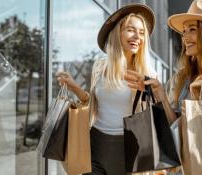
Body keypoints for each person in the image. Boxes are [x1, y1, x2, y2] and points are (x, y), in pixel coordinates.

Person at [125, 0, 202, 173]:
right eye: (184, 31)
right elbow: (178, 128)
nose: (184, 37)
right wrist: (160, 93)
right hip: (185, 167)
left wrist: (195, 97)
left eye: (192, 29)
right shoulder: (185, 77)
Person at [56, 3, 160, 175]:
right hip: (95, 143)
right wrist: (75, 88)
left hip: (128, 150)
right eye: (130, 29)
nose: (137, 36)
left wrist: (150, 89)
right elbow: (95, 104)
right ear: (117, 33)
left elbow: (154, 114)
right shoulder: (100, 66)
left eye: (141, 32)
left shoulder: (147, 72)